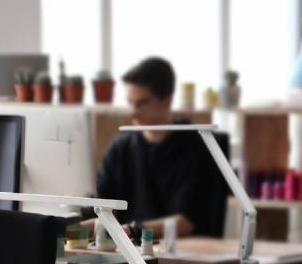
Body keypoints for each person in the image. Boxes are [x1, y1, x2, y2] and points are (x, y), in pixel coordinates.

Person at [94, 56, 225, 238]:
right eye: (130, 102)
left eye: (142, 103)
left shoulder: (198, 148)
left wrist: (130, 231)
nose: (133, 112)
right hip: (126, 245)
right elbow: (104, 212)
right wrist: (67, 228)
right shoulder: (119, 148)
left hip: (182, 247)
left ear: (167, 99)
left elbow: (186, 222)